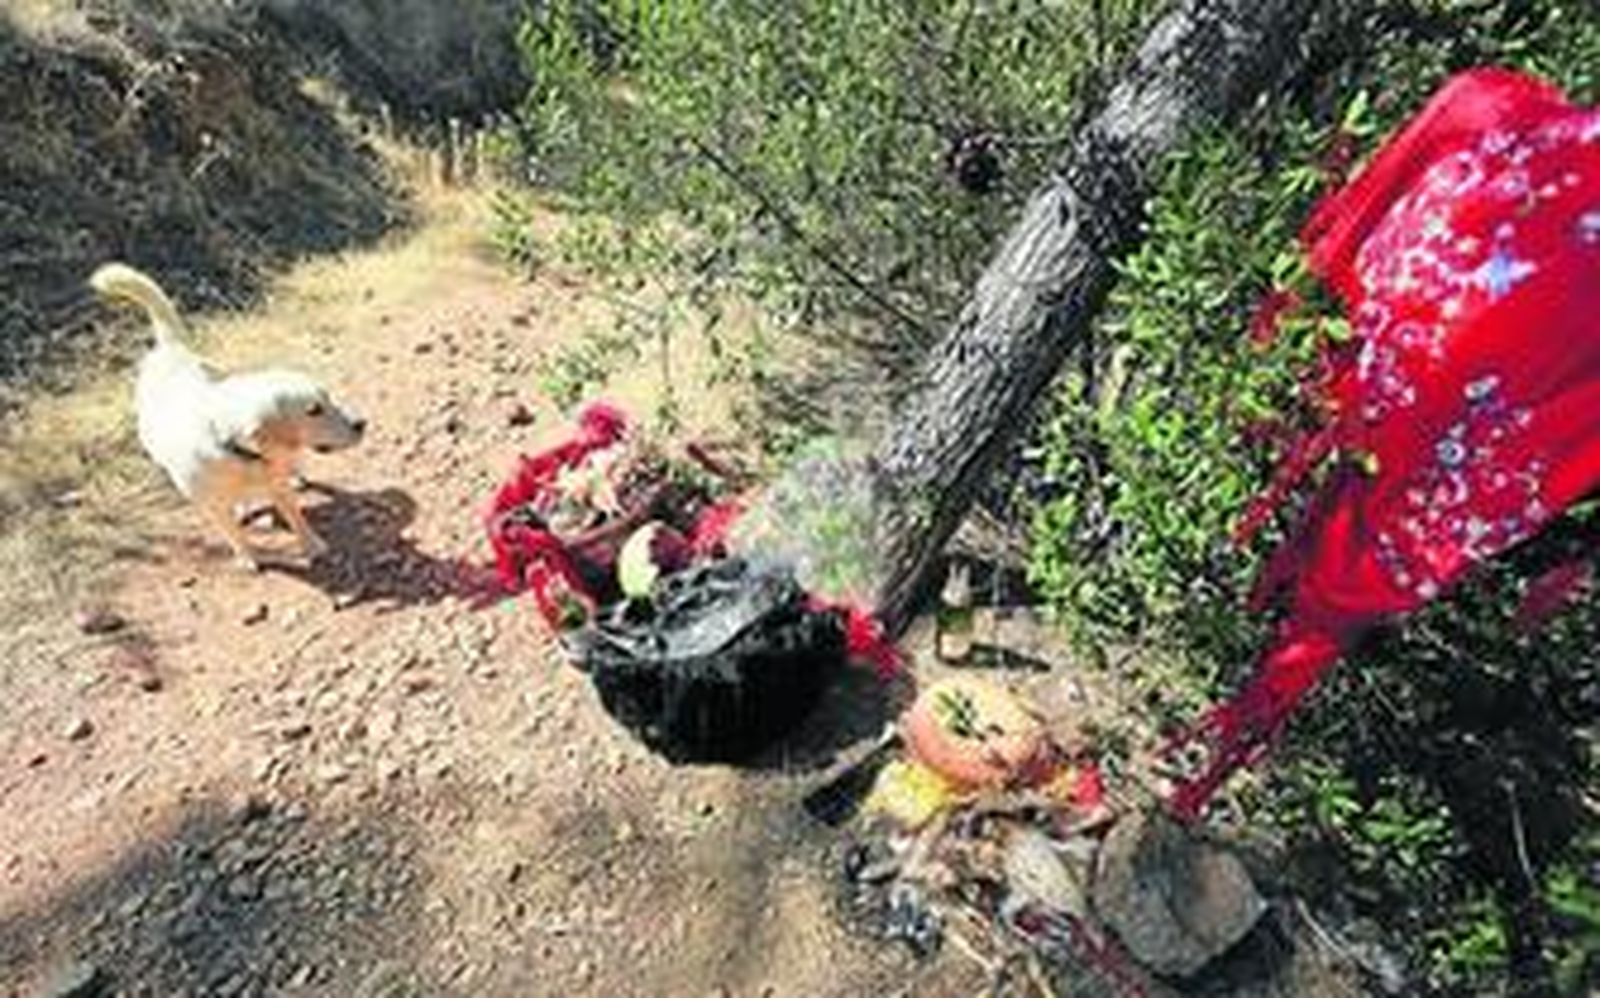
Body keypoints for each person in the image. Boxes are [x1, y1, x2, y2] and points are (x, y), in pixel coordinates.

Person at [1169, 67, 1600, 817]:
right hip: (1422, 402)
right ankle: (1226, 651)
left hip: (1441, 397)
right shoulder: (1493, 119)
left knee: (1343, 514)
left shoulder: (1492, 115)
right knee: (1346, 522)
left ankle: (1231, 675)